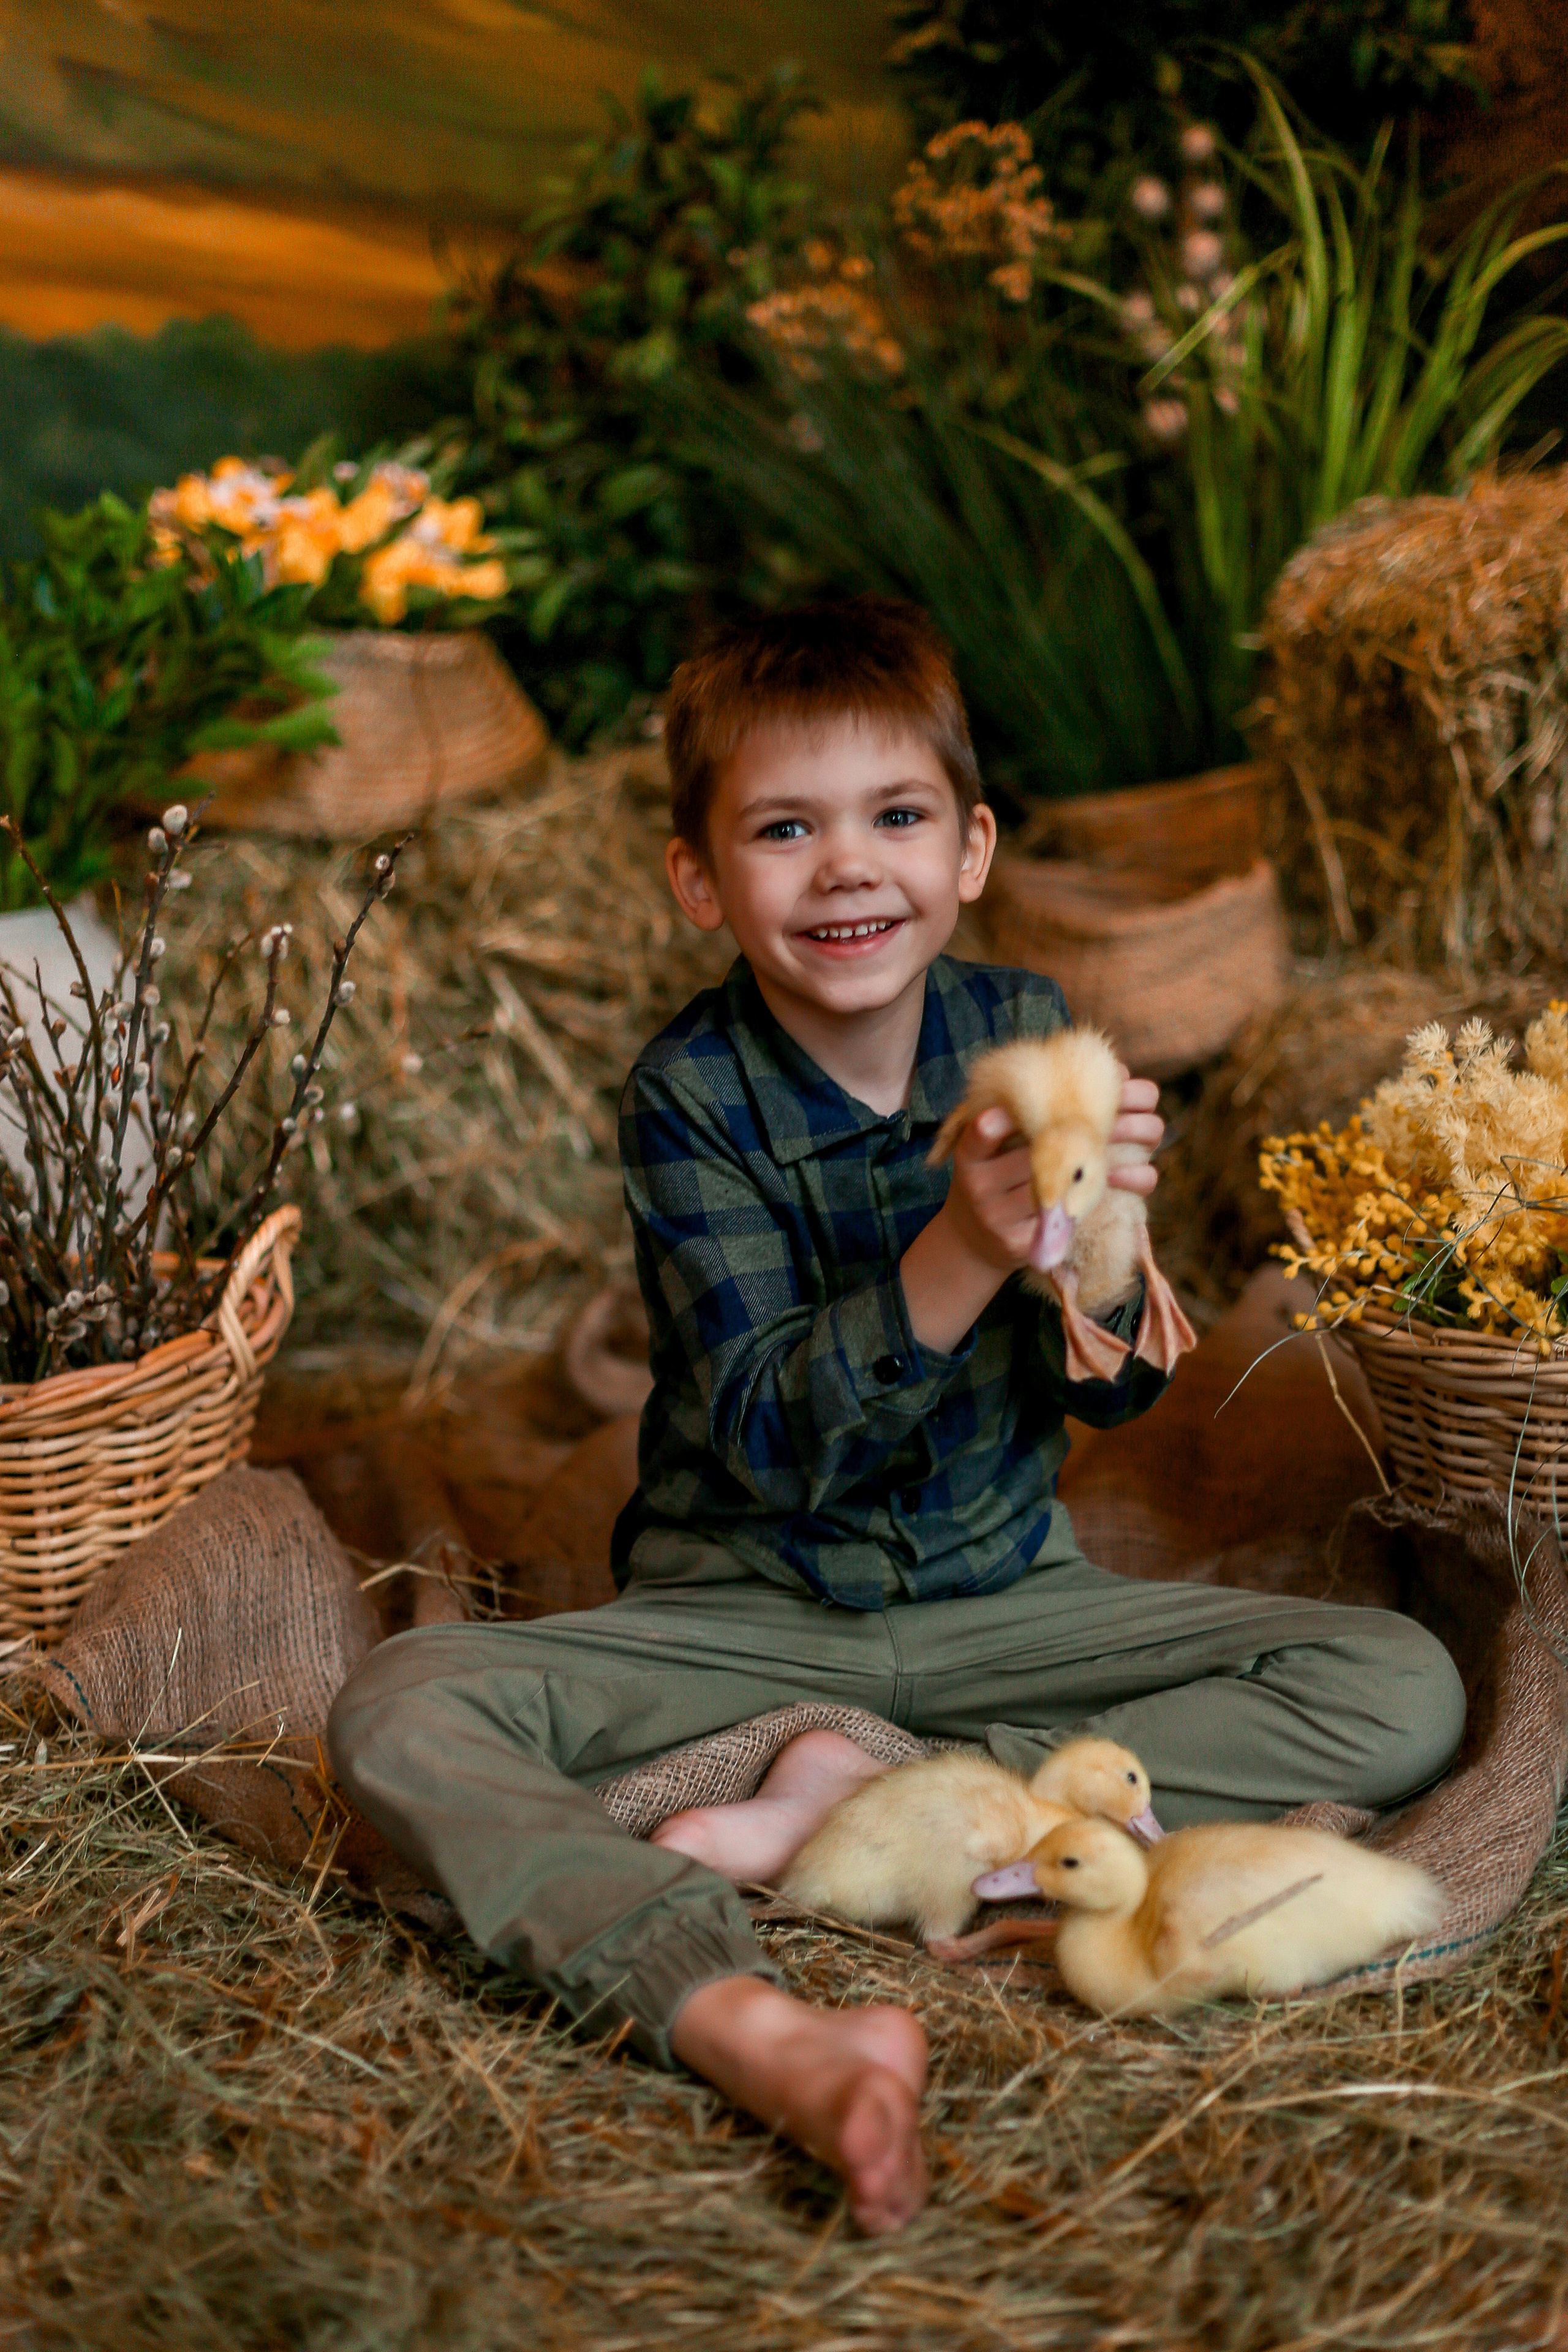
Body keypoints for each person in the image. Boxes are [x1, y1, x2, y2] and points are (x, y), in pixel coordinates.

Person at [328, 598, 1466, 2235]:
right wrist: (960, 1248)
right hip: (745, 1607)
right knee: (398, 1707)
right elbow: (768, 1437)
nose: (850, 867)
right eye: (786, 829)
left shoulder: (1028, 1030)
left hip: (1005, 1594)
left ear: (974, 847)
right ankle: (761, 2026)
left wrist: (1100, 1261)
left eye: (899, 817)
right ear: (700, 882)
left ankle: (879, 1802)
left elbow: (1126, 1389)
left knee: (1400, 1681)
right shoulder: (688, 1097)